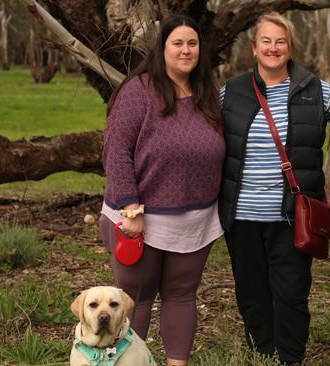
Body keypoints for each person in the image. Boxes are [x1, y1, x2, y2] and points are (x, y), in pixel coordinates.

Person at [218, 12, 330, 365]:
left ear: (290, 47)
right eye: (266, 41)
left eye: (281, 41)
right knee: (251, 292)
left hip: (292, 216)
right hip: (241, 216)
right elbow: (199, 126)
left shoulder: (314, 89)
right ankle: (263, 353)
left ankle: (290, 358)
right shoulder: (233, 91)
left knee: (291, 294)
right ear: (254, 47)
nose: (273, 48)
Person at [99, 15, 224, 366]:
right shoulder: (139, 91)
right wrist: (130, 208)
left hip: (194, 219)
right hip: (140, 218)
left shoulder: (207, 94)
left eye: (193, 43)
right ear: (163, 48)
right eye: (178, 43)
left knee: (181, 296)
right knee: (137, 298)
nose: (186, 50)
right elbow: (116, 149)